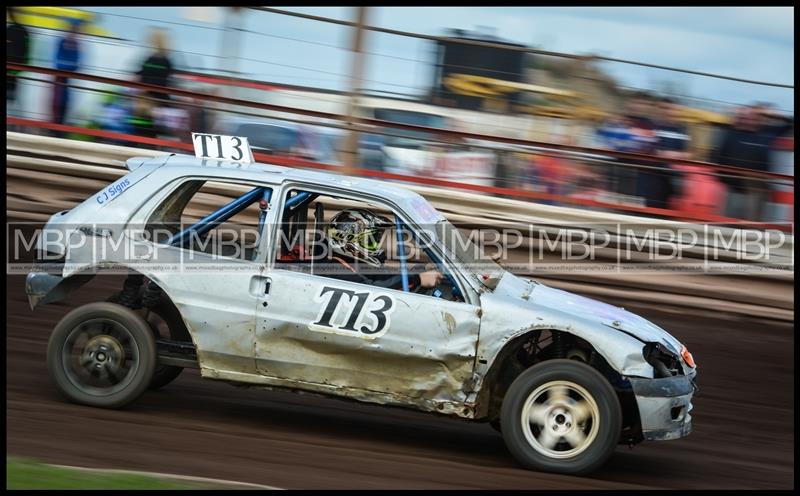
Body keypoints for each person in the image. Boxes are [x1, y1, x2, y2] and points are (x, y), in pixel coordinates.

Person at [323, 208, 443, 291]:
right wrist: (417, 279)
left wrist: (418, 270)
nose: (376, 244)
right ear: (346, 240)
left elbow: (383, 275)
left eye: (377, 239)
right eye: (371, 240)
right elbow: (374, 291)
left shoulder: (355, 265)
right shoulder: (336, 270)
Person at [711, 104, 792, 221]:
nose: (748, 119)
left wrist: (774, 115)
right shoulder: (731, 132)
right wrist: (722, 179)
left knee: (751, 228)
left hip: (756, 191)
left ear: (761, 118)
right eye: (745, 116)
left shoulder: (768, 132)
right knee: (725, 226)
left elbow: (790, 124)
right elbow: (717, 155)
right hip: (732, 189)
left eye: (753, 116)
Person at [637, 98, 690, 209]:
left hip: (670, 178)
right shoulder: (649, 126)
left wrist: (673, 155)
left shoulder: (682, 130)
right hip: (649, 177)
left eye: (669, 109)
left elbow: (690, 154)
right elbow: (644, 148)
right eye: (662, 108)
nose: (666, 111)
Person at [51, 19, 82, 129]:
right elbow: (57, 61)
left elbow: (77, 64)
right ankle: (54, 127)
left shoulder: (76, 44)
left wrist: (68, 67)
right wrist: (68, 67)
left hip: (66, 80)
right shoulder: (62, 42)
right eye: (74, 30)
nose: (75, 32)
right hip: (60, 78)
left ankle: (59, 128)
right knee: (56, 104)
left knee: (65, 105)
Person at [137, 28, 174, 104]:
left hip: (153, 100)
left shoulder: (158, 60)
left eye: (151, 38)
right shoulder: (162, 59)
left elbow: (157, 79)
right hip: (153, 98)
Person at [7, 7, 31, 121]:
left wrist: (18, 69)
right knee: (12, 96)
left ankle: (14, 121)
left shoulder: (22, 31)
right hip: (12, 70)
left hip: (13, 71)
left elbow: (26, 52)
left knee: (12, 96)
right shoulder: (12, 30)